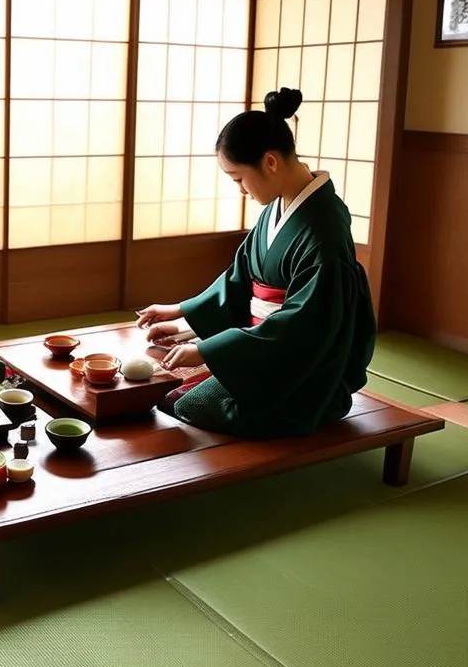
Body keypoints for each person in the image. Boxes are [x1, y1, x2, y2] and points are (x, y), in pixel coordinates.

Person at [135, 87, 376, 438]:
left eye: (238, 178)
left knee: (187, 404)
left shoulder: (323, 229)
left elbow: (302, 326)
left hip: (302, 371)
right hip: (266, 350)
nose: (242, 190)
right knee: (173, 397)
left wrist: (206, 349)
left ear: (270, 162)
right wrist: (183, 313)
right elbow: (240, 277)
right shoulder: (280, 205)